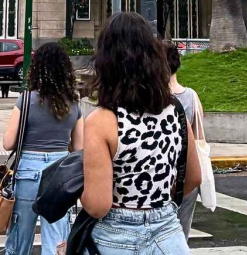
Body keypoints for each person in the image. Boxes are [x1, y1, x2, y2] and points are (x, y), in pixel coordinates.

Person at [81, 13, 201, 255]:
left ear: (106, 62)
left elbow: (98, 205)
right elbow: (194, 177)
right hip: (168, 234)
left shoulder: (102, 121)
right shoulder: (174, 111)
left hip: (115, 236)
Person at [1, 42, 83, 255]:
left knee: (20, 239)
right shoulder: (73, 102)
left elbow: (8, 142)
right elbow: (79, 147)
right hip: (59, 175)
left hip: (28, 172)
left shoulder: (26, 100)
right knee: (56, 241)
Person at [163, 40, 205, 238]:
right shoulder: (192, 96)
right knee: (181, 236)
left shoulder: (157, 99)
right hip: (187, 173)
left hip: (162, 175)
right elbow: (198, 135)